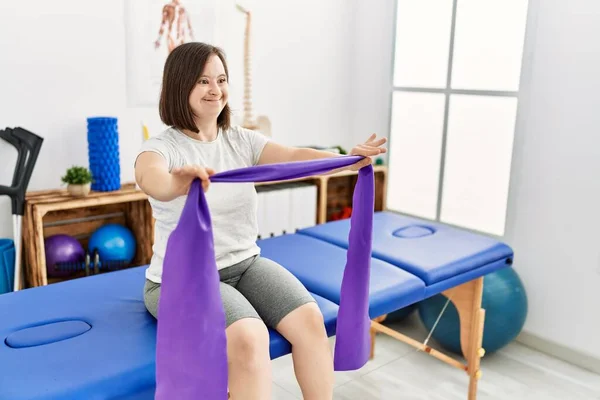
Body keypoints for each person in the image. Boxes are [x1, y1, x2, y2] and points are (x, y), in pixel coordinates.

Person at [134, 42, 386, 400]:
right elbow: (152, 179)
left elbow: (292, 157)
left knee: (311, 322)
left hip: (245, 264)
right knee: (252, 339)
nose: (215, 90)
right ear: (180, 84)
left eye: (221, 80)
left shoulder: (240, 140)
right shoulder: (162, 148)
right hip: (181, 280)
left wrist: (345, 160)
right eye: (203, 81)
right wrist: (179, 182)